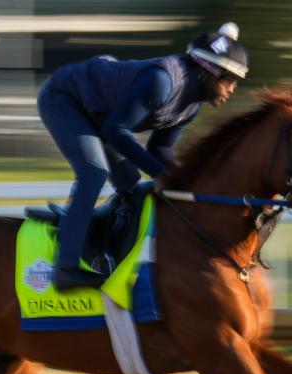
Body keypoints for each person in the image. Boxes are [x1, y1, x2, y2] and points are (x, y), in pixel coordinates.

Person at [37, 22, 250, 291]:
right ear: (209, 70)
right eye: (229, 79)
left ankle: (99, 249)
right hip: (65, 98)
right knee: (94, 172)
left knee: (130, 183)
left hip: (101, 116)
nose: (233, 89)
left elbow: (158, 151)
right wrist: (161, 174)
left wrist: (183, 179)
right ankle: (65, 268)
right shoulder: (162, 82)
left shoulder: (191, 107)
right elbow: (115, 131)